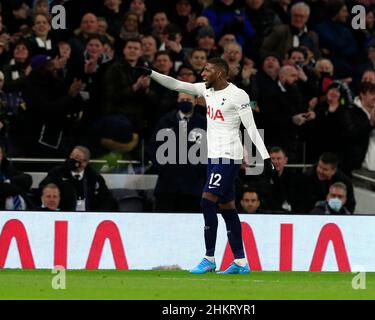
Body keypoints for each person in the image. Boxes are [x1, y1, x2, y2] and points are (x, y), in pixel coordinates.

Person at [137, 57, 271, 274]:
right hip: (213, 157)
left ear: (219, 73)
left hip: (229, 157)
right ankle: (240, 261)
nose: (202, 74)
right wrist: (152, 73)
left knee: (207, 201)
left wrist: (265, 157)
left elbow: (251, 128)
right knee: (228, 208)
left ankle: (209, 258)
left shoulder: (239, 95)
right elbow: (177, 84)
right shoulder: (206, 90)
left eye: (207, 70)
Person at [39, 145, 117, 212]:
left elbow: (106, 199)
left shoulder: (94, 178)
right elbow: (43, 189)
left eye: (76, 158)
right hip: (64, 214)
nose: (72, 159)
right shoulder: (57, 173)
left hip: (88, 217)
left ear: (84, 163)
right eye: (71, 156)